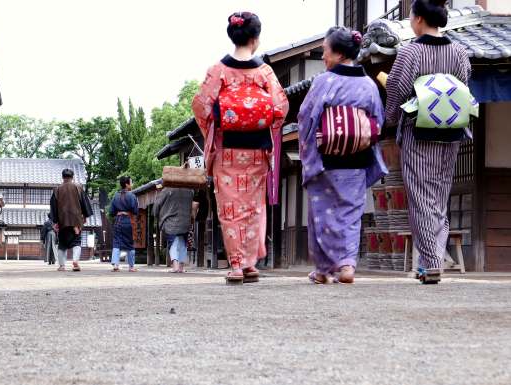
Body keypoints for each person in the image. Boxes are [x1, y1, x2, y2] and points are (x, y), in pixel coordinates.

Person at [192, 12, 288, 284]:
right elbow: (280, 109)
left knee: (230, 207)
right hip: (257, 149)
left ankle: (235, 265)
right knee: (254, 206)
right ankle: (249, 263)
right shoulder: (264, 72)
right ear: (255, 39)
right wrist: (261, 126)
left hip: (227, 149)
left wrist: (216, 130)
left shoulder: (218, 71)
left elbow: (200, 106)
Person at [385, 0, 471, 284]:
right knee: (438, 198)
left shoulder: (410, 51)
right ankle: (431, 259)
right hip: (451, 133)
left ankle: (432, 262)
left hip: (419, 131)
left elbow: (397, 89)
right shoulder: (459, 52)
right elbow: (463, 86)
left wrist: (392, 118)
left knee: (421, 197)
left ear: (418, 19)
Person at [297, 27, 387, 284]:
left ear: (337, 54)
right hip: (357, 159)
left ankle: (324, 269)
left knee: (322, 214)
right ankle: (347, 264)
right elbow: (377, 121)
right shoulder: (369, 85)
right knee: (350, 214)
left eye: (325, 51)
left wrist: (308, 151)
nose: (323, 56)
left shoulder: (324, 82)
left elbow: (306, 119)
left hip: (326, 160)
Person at [50, 168, 92, 272]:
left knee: (62, 244)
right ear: (72, 177)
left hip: (62, 220)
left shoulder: (57, 190)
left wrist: (55, 221)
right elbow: (84, 203)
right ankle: (75, 261)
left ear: (62, 177)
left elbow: (53, 207)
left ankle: (62, 266)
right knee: (76, 242)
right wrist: (85, 217)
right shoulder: (78, 188)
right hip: (76, 221)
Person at [153, 187, 194, 273]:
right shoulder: (190, 190)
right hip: (185, 221)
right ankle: (181, 267)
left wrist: (157, 216)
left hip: (170, 222)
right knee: (183, 244)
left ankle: (175, 266)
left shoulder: (167, 190)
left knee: (173, 244)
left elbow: (156, 206)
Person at [109, 176, 139, 272]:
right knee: (130, 243)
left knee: (116, 242)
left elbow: (111, 212)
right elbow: (135, 211)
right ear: (127, 184)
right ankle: (131, 266)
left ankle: (115, 265)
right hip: (128, 220)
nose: (132, 184)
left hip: (118, 220)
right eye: (131, 182)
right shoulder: (132, 196)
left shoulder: (115, 195)